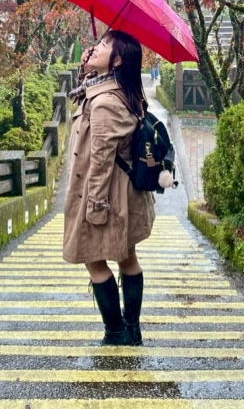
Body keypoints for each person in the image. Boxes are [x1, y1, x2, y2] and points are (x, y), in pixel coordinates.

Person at [63, 30, 155, 345]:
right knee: (126, 255)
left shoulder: (105, 103)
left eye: (103, 46)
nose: (95, 47)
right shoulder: (120, 90)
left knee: (92, 256)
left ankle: (116, 332)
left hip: (107, 195)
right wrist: (87, 65)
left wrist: (95, 206)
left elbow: (101, 161)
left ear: (117, 59)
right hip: (124, 194)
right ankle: (132, 329)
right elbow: (82, 90)